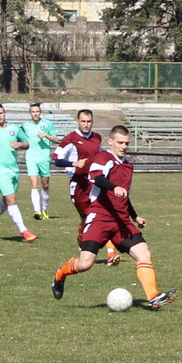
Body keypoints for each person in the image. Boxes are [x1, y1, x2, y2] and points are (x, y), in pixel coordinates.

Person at [52, 125, 174, 308]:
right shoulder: (103, 157)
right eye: (120, 142)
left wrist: (135, 216)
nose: (123, 146)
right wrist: (112, 187)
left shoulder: (127, 166)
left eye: (126, 143)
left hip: (121, 220)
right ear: (110, 141)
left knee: (144, 253)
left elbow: (125, 195)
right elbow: (97, 178)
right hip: (99, 216)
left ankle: (153, 295)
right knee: (85, 264)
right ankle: (59, 275)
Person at [58, 108, 120, 265]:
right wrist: (73, 163)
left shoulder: (97, 138)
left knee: (102, 215)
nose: (86, 124)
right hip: (78, 184)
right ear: (78, 121)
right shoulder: (70, 139)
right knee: (87, 219)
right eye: (83, 121)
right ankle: (82, 239)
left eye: (89, 121)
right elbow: (56, 159)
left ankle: (111, 254)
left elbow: (100, 156)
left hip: (94, 183)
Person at [0, 102, 37, 241]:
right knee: (11, 200)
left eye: (1, 113)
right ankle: (24, 231)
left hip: (13, 169)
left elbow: (27, 143)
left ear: (5, 113)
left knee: (7, 199)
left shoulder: (15, 129)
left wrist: (20, 144)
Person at [19, 102, 61, 220]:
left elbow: (56, 139)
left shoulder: (47, 124)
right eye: (33, 112)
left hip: (43, 157)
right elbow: (19, 137)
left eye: (37, 111)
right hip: (31, 157)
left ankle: (45, 209)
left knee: (45, 185)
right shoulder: (25, 125)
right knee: (34, 184)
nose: (35, 114)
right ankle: (37, 211)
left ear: (40, 112)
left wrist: (46, 136)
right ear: (30, 113)